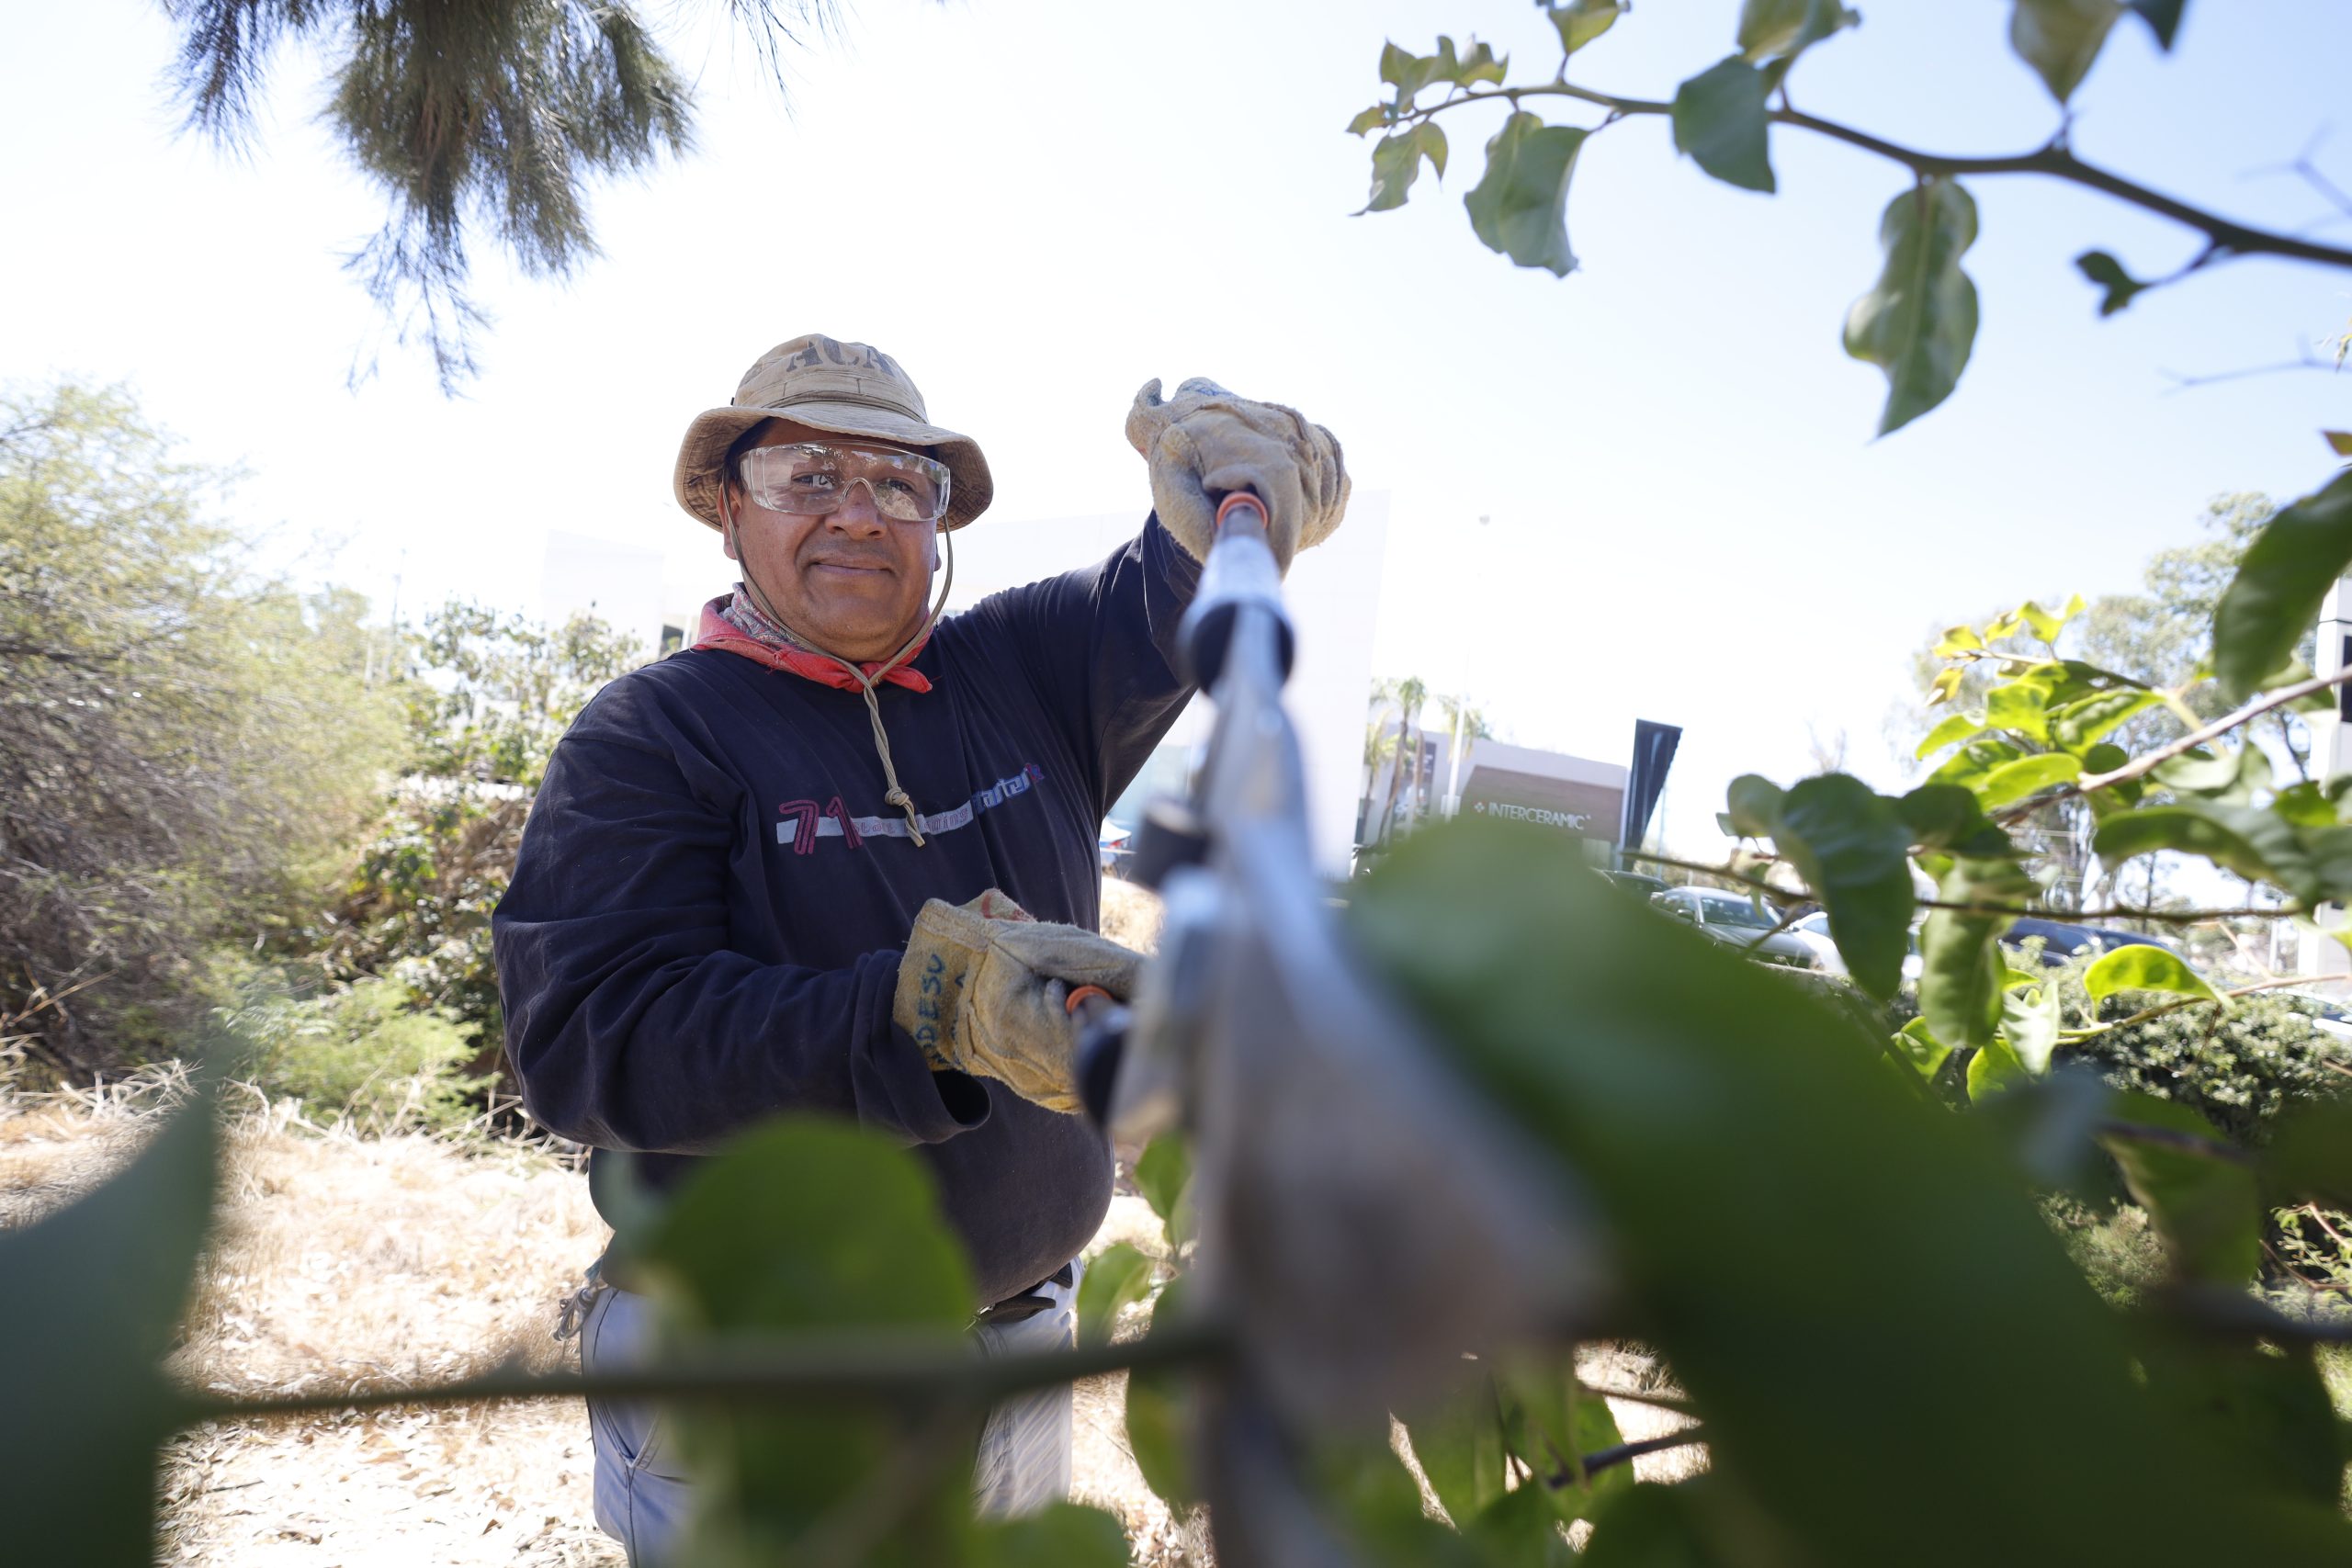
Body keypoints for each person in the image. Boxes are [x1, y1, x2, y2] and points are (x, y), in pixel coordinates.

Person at [492, 333, 1348, 1563]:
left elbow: (1165, 593)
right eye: (808, 475)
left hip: (1018, 1344)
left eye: (900, 484)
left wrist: (1226, 497)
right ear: (728, 508)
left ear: (938, 520)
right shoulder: (654, 733)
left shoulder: (1019, 670)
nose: (858, 514)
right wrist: (929, 1011)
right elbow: (588, 1044)